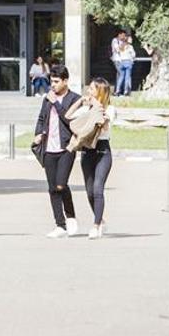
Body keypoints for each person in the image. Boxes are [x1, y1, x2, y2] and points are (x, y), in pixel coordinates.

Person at [34, 64, 81, 238]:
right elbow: (41, 118)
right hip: (48, 148)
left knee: (61, 184)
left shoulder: (75, 99)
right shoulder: (47, 99)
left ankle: (70, 216)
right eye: (51, 82)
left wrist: (57, 104)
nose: (52, 85)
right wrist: (38, 134)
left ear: (65, 81)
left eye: (56, 81)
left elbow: (71, 121)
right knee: (53, 187)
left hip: (66, 147)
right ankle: (59, 225)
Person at [66, 77, 115, 239]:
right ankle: (100, 219)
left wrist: (94, 105)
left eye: (92, 89)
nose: (89, 92)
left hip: (102, 151)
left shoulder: (109, 109)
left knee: (98, 188)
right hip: (87, 152)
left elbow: (104, 125)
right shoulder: (86, 109)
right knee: (89, 191)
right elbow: (68, 116)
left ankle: (95, 225)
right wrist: (80, 102)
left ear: (100, 91)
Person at [110, 31, 125, 95]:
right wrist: (124, 43)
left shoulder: (122, 42)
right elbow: (118, 50)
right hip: (117, 60)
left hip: (122, 60)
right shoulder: (115, 40)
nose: (124, 37)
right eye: (123, 35)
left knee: (119, 76)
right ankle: (118, 91)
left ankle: (117, 90)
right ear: (119, 35)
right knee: (121, 74)